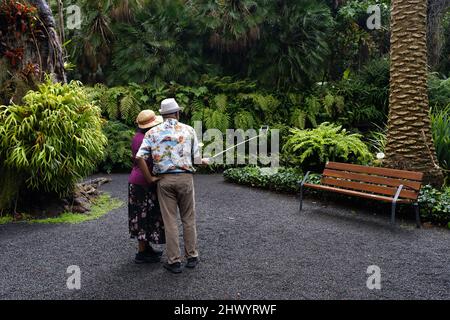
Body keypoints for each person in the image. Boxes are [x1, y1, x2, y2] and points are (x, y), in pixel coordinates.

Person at [136, 98, 208, 274]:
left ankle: (174, 261)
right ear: (177, 113)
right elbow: (197, 160)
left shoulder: (152, 133)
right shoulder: (189, 130)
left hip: (164, 180)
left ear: (162, 114)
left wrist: (150, 178)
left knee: (170, 222)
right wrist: (203, 161)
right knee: (188, 219)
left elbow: (139, 157)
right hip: (185, 179)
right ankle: (192, 257)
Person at [128, 110, 165, 264]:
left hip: (137, 180)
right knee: (144, 215)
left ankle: (145, 249)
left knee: (142, 215)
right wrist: (150, 178)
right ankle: (142, 254)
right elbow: (140, 159)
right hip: (143, 182)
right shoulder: (143, 138)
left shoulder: (138, 137)